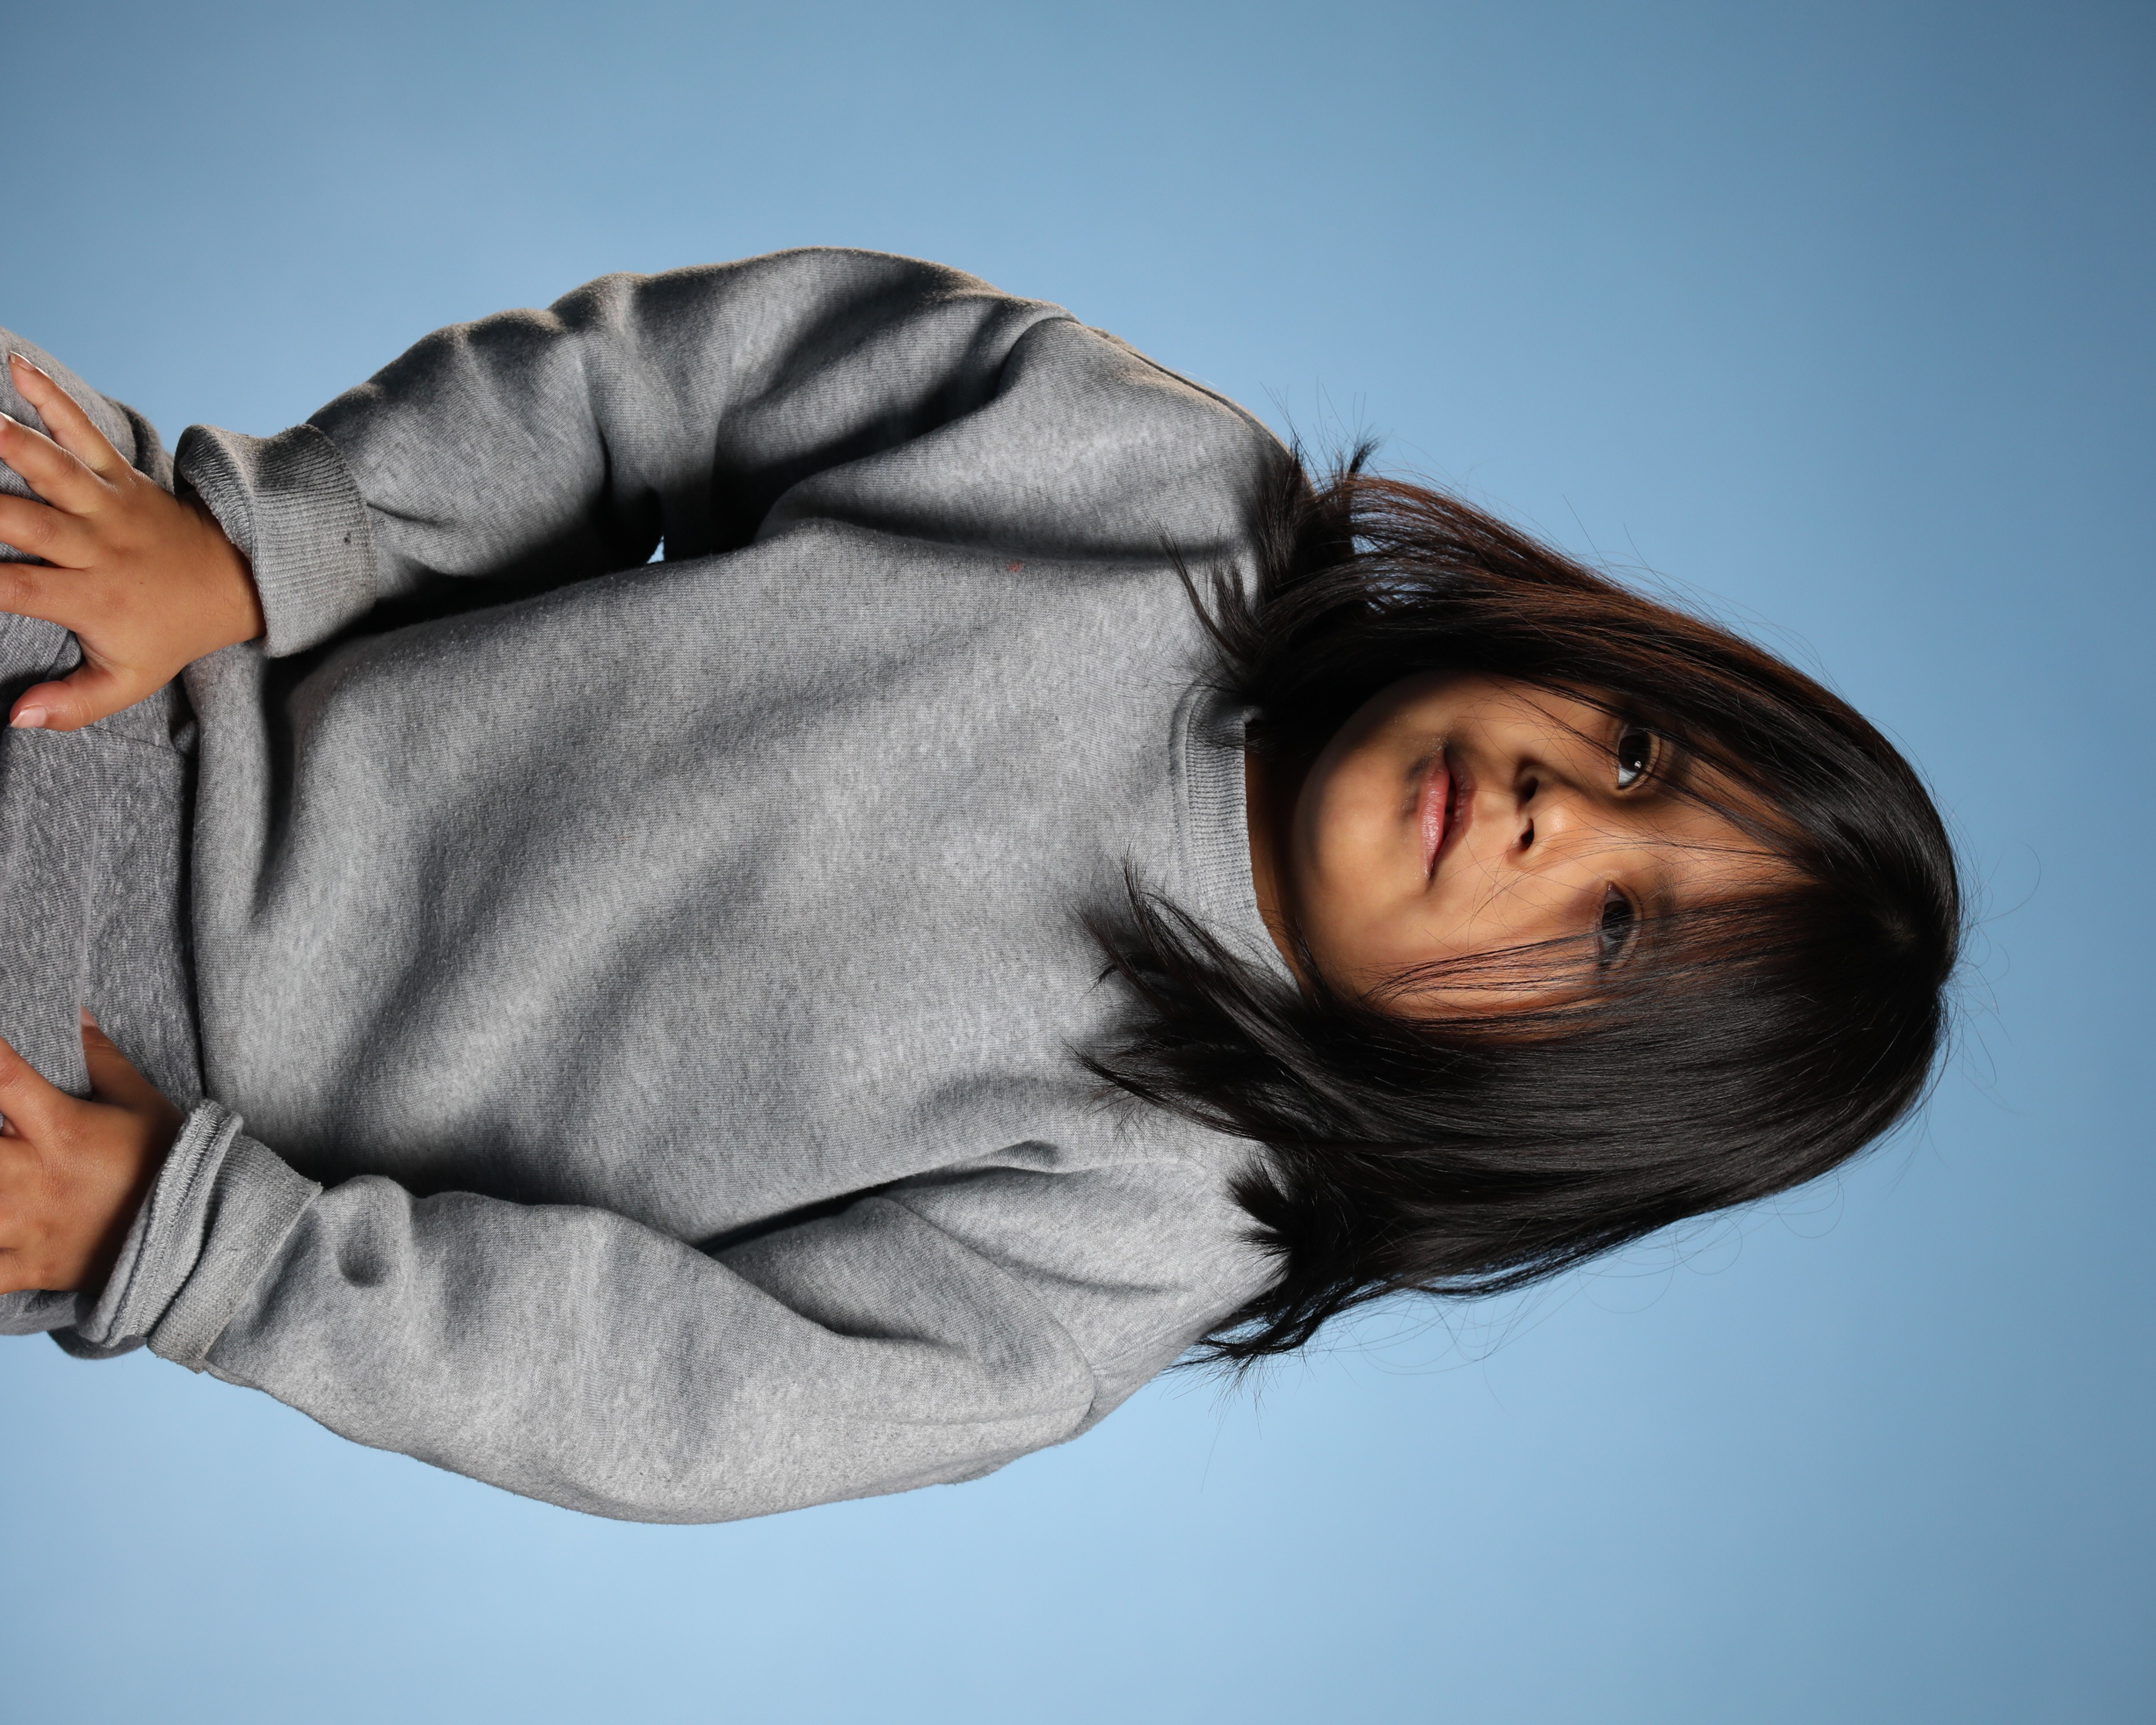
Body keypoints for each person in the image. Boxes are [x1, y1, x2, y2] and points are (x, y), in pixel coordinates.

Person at [0, 248, 1960, 1522]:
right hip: (146, 643)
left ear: (1557, 1102)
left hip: (103, 1077)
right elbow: (663, 386)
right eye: (1637, 753)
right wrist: (260, 548)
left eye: (1615, 927)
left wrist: (199, 1249)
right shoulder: (1162, 494)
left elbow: (665, 1392)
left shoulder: (1136, 1233)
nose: (1552, 812)